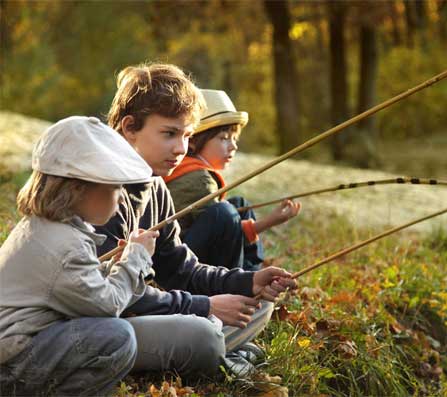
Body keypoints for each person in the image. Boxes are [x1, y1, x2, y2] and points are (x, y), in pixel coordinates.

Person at [96, 63, 297, 376]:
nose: (180, 149)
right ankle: (216, 350)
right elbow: (109, 298)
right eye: (169, 134)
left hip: (144, 313)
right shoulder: (98, 190)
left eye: (187, 136)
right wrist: (205, 307)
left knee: (258, 303)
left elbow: (182, 270)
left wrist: (247, 281)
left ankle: (215, 347)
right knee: (203, 337)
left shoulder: (156, 189)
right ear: (130, 127)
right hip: (104, 325)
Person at [0, 116, 158, 396]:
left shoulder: (45, 227)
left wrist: (118, 265)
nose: (121, 197)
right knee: (117, 337)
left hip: (13, 353)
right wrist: (135, 259)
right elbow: (107, 306)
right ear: (77, 189)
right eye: (114, 187)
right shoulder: (65, 246)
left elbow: (82, 289)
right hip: (10, 365)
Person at [164, 89, 301, 271]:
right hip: (180, 264)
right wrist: (269, 221)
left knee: (238, 204)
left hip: (190, 249)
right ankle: (238, 283)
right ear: (195, 141)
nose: (233, 146)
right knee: (225, 212)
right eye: (224, 138)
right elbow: (223, 232)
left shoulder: (192, 170)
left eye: (234, 138)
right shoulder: (198, 180)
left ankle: (250, 272)